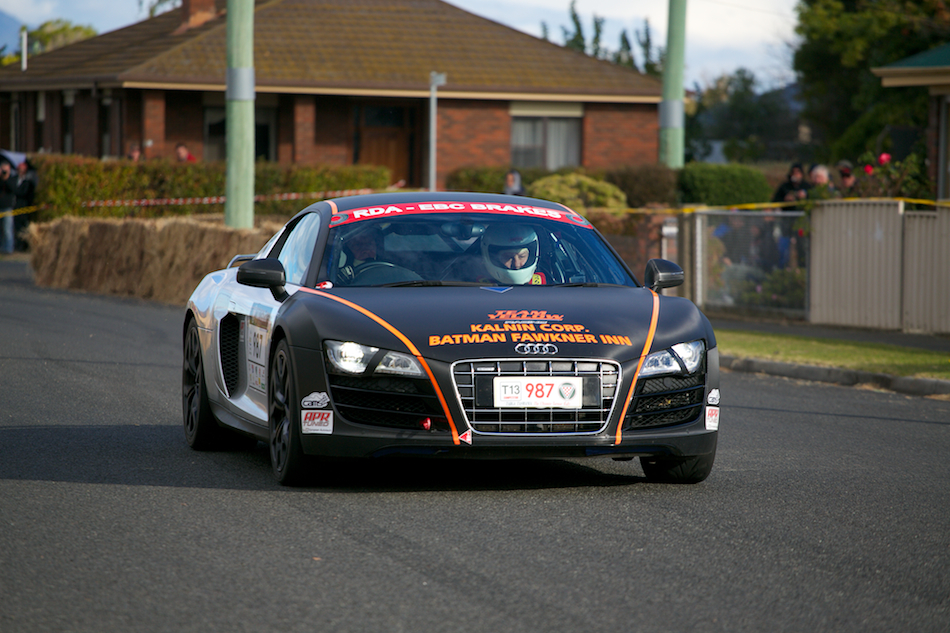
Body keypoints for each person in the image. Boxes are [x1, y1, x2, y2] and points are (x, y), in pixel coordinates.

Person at [13, 161, 36, 252]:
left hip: (24, 207)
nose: (20, 172)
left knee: (24, 227)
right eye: (19, 170)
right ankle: (18, 245)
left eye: (22, 170)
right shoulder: (14, 180)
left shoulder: (28, 182)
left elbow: (24, 193)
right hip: (16, 207)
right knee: (17, 227)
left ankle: (24, 246)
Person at [0, 161, 17, 254]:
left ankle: (8, 248)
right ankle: (1, 247)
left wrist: (6, 178)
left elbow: (13, 188)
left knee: (7, 229)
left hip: (7, 208)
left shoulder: (12, 179)